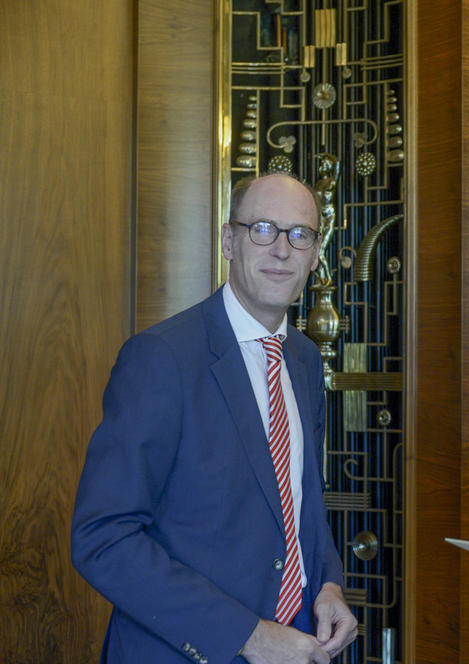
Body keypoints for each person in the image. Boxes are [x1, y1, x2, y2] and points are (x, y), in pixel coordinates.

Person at [72, 173, 358, 664]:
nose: (283, 250)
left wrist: (328, 583)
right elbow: (104, 538)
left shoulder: (306, 362)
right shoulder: (161, 359)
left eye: (300, 234)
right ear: (229, 240)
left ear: (315, 254)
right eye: (263, 228)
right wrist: (247, 635)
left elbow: (299, 505)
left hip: (298, 647)